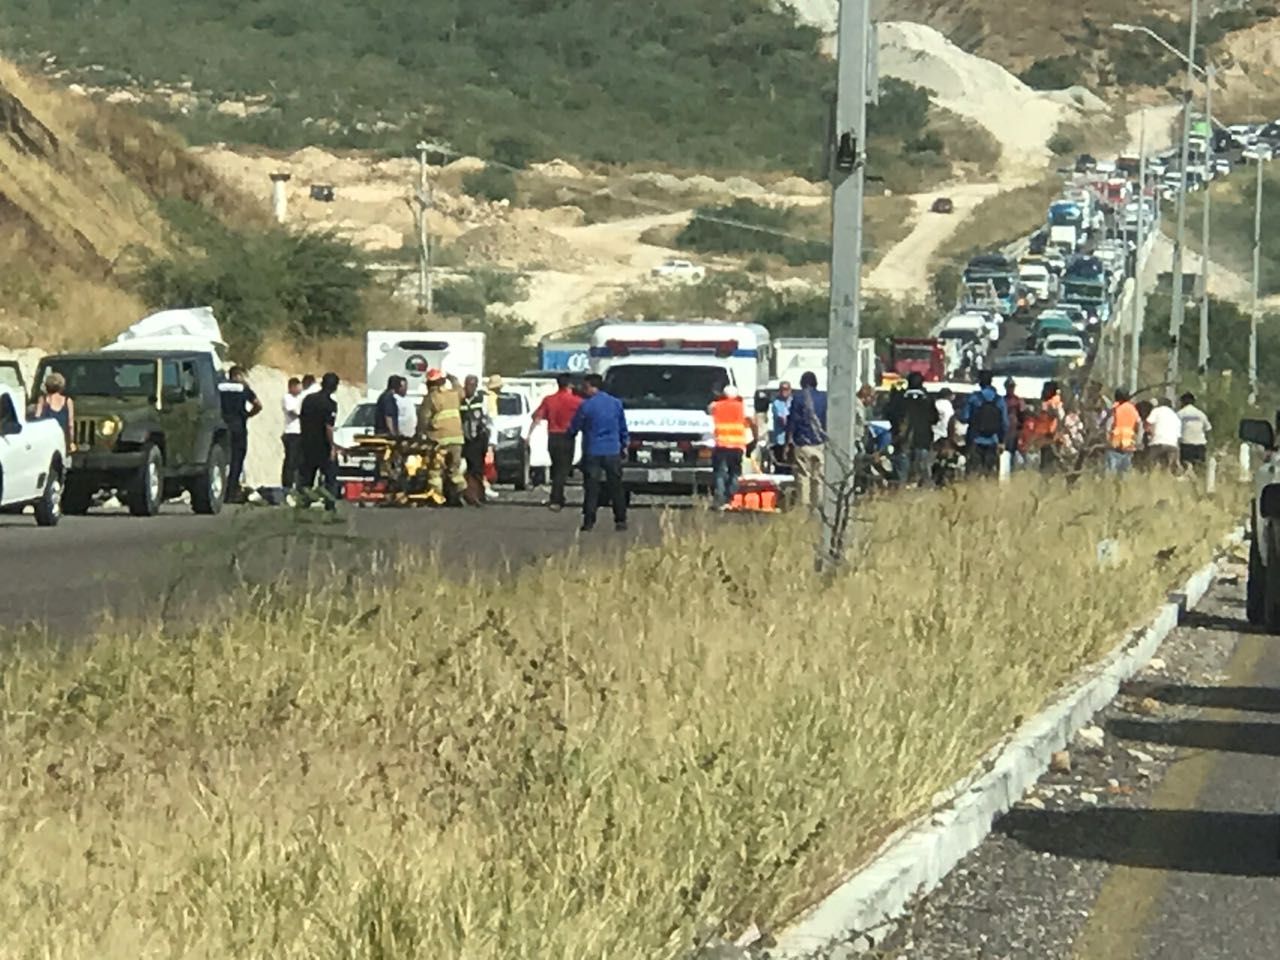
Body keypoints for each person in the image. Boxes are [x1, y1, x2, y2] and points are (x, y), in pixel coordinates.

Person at [568, 373, 629, 532]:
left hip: (593, 450)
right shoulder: (616, 403)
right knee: (616, 486)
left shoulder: (586, 405)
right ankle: (620, 519)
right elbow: (623, 427)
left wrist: (569, 434)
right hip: (612, 450)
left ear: (592, 387)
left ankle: (589, 521)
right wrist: (624, 445)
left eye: (586, 387)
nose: (584, 390)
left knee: (591, 487)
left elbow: (575, 426)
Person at [532, 373, 583, 511]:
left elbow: (536, 416)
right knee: (563, 469)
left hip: (552, 436)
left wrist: (529, 435)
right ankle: (556, 498)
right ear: (570, 385)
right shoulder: (577, 401)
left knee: (557, 467)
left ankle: (558, 496)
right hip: (567, 436)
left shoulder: (549, 400)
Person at [418, 368, 467, 506]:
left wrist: (419, 433)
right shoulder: (454, 394)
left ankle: (437, 498)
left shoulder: (431, 398)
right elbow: (461, 391)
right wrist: (453, 378)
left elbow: (424, 419)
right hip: (457, 439)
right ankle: (458, 496)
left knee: (435, 471)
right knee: (455, 471)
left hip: (438, 440)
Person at [217, 365, 262, 502]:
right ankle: (231, 493)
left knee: (219, 460)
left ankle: (218, 490)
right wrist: (247, 415)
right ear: (239, 375)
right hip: (238, 426)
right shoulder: (243, 388)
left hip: (221, 427)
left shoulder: (219, 386)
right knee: (237, 460)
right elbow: (258, 405)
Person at [298, 372, 342, 510]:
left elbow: (302, 419)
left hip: (306, 443)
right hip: (322, 445)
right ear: (335, 387)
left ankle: (303, 503)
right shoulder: (330, 404)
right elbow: (328, 427)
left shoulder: (308, 399)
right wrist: (333, 447)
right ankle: (330, 504)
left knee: (306, 477)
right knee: (330, 476)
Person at [888, 371, 938, 487]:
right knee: (922, 473)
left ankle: (900, 495)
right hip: (923, 440)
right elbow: (934, 419)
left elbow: (890, 415)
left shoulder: (899, 399)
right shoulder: (928, 399)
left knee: (902, 476)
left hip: (903, 442)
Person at [788, 371, 828, 509]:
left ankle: (804, 506)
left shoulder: (798, 398)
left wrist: (789, 440)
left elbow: (792, 420)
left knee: (803, 476)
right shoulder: (824, 397)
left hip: (803, 442)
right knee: (819, 477)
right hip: (820, 443)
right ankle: (819, 506)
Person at [709, 385, 753, 509]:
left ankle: (720, 499)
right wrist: (753, 439)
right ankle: (731, 498)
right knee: (735, 472)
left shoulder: (716, 405)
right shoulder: (742, 406)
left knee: (720, 473)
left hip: (721, 444)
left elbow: (710, 411)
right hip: (737, 445)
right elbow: (752, 421)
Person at [960, 371, 1007, 476]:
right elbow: (1005, 423)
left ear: (980, 382)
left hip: (975, 440)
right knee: (991, 475)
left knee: (973, 475)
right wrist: (1002, 441)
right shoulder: (1000, 400)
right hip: (993, 441)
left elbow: (964, 417)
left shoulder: (973, 398)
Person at [459, 374, 492, 506]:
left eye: (473, 385)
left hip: (478, 439)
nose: (470, 388)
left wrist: (490, 441)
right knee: (465, 468)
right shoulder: (460, 400)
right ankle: (468, 494)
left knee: (477, 468)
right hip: (464, 439)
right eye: (468, 385)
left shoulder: (482, 399)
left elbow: (489, 420)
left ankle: (477, 494)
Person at [1105, 386, 1141, 475]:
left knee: (1111, 472)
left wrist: (1107, 439)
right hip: (1129, 443)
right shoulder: (1133, 409)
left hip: (1115, 442)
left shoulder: (1116, 408)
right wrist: (1138, 440)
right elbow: (1139, 424)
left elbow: (1108, 425)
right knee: (1125, 472)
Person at [33, 372, 74, 449]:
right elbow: (70, 424)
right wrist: (71, 442)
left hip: (46, 440)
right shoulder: (67, 401)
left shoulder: (43, 400)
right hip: (62, 440)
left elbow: (37, 418)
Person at [1033, 381, 1064, 474]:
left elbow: (1059, 417)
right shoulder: (1047, 402)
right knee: (1044, 464)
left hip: (1051, 437)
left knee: (1048, 465)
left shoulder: (1054, 402)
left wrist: (1056, 433)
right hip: (1044, 438)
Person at [1145, 397, 1182, 473]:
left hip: (1158, 442)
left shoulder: (1156, 411)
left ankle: (1150, 479)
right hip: (1172, 445)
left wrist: (1150, 435)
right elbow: (1178, 436)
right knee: (1168, 467)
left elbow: (1148, 424)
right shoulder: (1175, 416)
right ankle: (1165, 480)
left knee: (1150, 464)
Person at [1177, 391, 1212, 469]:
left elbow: (1174, 429)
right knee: (1199, 468)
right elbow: (1208, 429)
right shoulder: (1201, 414)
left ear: (1182, 402)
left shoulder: (1180, 414)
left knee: (1186, 467)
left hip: (1186, 444)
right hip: (1200, 445)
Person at [280, 376, 303, 488]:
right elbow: (292, 412)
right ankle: (287, 484)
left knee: (299, 461)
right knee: (290, 460)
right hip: (291, 432)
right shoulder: (287, 398)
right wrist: (303, 415)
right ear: (292, 387)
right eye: (297, 386)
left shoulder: (300, 398)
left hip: (300, 432)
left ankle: (297, 484)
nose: (300, 389)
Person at [1002, 378, 1026, 471]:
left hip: (1015, 430)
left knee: (1015, 454)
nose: (1010, 389)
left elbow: (1023, 415)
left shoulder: (1019, 401)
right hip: (1005, 430)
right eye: (1009, 386)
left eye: (1012, 386)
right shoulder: (1002, 400)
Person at [769, 381, 793, 472]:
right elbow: (782, 419)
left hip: (792, 440)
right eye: (782, 389)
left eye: (786, 389)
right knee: (780, 466)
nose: (784, 391)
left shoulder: (793, 402)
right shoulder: (776, 403)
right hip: (780, 439)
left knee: (791, 466)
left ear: (790, 390)